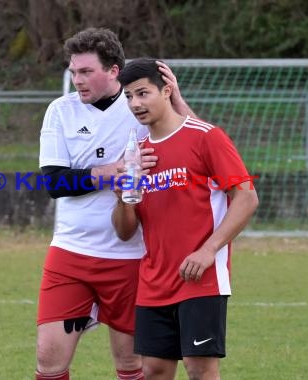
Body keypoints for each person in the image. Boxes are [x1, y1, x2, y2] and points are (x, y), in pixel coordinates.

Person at [36, 29, 196, 380]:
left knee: (131, 365)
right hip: (70, 253)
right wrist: (110, 173)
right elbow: (53, 181)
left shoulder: (139, 107)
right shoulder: (61, 111)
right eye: (73, 71)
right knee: (48, 363)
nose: (77, 80)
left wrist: (178, 101)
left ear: (113, 71)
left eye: (86, 72)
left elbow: (196, 146)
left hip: (132, 258)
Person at [112, 58, 259, 380]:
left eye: (143, 93)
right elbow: (125, 231)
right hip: (154, 280)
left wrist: (209, 250)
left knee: (200, 368)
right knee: (153, 370)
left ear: (167, 91)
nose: (135, 103)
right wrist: (121, 197)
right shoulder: (136, 154)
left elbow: (246, 198)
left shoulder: (206, 137)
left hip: (201, 277)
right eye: (128, 96)